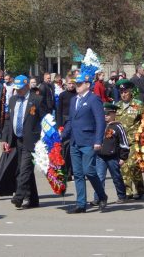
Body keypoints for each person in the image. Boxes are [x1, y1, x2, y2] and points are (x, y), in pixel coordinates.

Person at [62, 73, 108, 213]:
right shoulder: (74, 99)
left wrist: (98, 140)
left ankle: (101, 195)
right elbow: (71, 120)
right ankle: (81, 204)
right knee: (78, 173)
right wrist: (62, 136)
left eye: (80, 83)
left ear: (87, 85)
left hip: (88, 140)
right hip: (75, 140)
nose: (77, 86)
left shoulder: (94, 99)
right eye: (76, 83)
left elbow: (100, 121)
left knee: (89, 170)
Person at [2, 75, 47, 209]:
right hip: (17, 139)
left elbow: (45, 119)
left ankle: (19, 196)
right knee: (25, 170)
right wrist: (5, 139)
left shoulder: (37, 100)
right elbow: (8, 121)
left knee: (25, 169)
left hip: (32, 140)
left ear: (27, 86)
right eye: (16, 89)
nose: (18, 91)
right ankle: (33, 200)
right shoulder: (13, 100)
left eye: (20, 88)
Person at [91, 103, 129, 206]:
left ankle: (122, 196)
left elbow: (124, 143)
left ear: (113, 114)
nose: (105, 116)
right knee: (99, 178)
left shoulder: (118, 127)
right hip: (100, 156)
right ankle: (98, 197)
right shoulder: (100, 125)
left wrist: (123, 157)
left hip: (113, 156)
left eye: (107, 114)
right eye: (104, 114)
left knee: (116, 177)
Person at [115, 79, 144, 200]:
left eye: (125, 91)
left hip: (134, 141)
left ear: (130, 91)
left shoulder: (138, 104)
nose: (123, 94)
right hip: (121, 142)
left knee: (133, 164)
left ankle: (140, 188)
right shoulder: (117, 106)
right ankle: (128, 192)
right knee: (123, 166)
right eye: (121, 91)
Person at [56, 75, 77, 181]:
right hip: (64, 122)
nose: (71, 85)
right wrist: (59, 126)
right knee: (65, 147)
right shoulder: (62, 95)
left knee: (74, 147)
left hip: (75, 122)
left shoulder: (77, 95)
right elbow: (58, 111)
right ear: (66, 84)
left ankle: (73, 170)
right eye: (69, 83)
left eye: (73, 83)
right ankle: (66, 171)